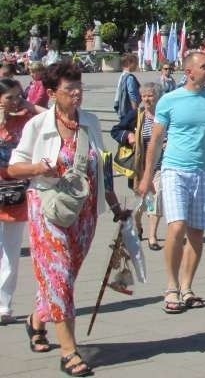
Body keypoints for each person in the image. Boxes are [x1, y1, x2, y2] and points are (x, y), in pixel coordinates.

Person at [9, 62, 127, 377]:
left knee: (64, 276)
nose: (76, 95)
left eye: (79, 88)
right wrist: (38, 169)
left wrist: (114, 203)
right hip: (47, 208)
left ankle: (36, 320)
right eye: (69, 90)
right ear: (51, 93)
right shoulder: (38, 125)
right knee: (59, 276)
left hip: (84, 212)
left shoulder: (89, 122)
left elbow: (102, 164)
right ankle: (69, 351)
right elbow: (13, 168)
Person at [138, 52, 205, 314]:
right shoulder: (170, 100)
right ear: (189, 72)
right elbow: (154, 141)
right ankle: (171, 286)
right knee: (176, 227)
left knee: (196, 234)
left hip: (204, 172)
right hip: (175, 169)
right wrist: (146, 176)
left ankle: (187, 287)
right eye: (204, 67)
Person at [0, 79, 41, 325]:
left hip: (14, 193)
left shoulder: (23, 121)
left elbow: (51, 116)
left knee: (10, 253)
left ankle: (4, 305)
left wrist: (28, 104)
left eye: (18, 96)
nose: (15, 102)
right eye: (10, 98)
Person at [111, 82, 165, 250]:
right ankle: (138, 223)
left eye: (150, 95)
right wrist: (129, 135)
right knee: (141, 201)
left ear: (158, 97)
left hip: (161, 165)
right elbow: (115, 130)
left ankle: (152, 236)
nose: (147, 99)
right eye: (144, 96)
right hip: (140, 166)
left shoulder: (165, 114)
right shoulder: (136, 114)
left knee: (156, 197)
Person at [113, 53, 141, 120]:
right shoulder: (130, 77)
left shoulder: (122, 76)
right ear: (129, 63)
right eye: (135, 63)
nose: (137, 65)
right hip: (128, 110)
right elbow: (132, 94)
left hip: (122, 109)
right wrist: (135, 110)